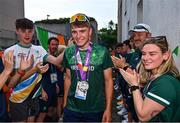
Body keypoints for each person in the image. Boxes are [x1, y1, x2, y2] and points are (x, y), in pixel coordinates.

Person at [4, 18, 64, 122]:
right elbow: (10, 84)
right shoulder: (10, 52)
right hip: (18, 98)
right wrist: (34, 70)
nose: (27, 34)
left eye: (30, 31)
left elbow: (56, 61)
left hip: (34, 97)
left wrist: (71, 48)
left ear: (33, 31)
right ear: (17, 31)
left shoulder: (39, 49)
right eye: (23, 31)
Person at [62, 13, 113, 122]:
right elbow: (68, 78)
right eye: (74, 32)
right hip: (72, 109)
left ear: (90, 31)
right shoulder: (68, 52)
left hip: (95, 110)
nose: (78, 36)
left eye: (82, 31)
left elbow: (108, 81)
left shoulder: (102, 52)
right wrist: (65, 102)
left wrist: (108, 109)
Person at [120, 36, 180, 122]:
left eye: (152, 54)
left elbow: (143, 116)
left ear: (165, 55)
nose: (145, 58)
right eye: (144, 54)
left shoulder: (165, 83)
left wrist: (134, 86)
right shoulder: (154, 76)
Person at [111, 23, 152, 122]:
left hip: (146, 100)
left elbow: (142, 78)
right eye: (134, 35)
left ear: (149, 35)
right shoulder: (136, 53)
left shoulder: (152, 54)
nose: (135, 38)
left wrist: (123, 66)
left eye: (139, 34)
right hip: (134, 94)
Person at [36, 37, 64, 122]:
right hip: (45, 90)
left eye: (56, 45)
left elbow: (53, 72)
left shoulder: (54, 58)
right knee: (42, 114)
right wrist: (42, 90)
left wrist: (55, 84)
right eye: (52, 44)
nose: (54, 46)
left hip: (52, 89)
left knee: (51, 112)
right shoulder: (43, 58)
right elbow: (37, 76)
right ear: (48, 45)